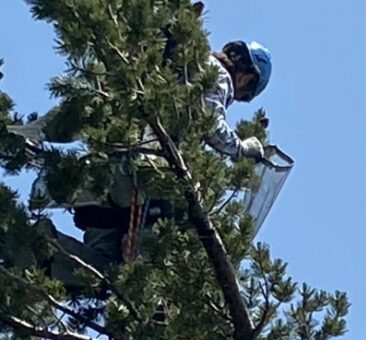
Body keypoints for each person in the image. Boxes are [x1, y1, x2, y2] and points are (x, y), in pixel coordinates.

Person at [5, 40, 273, 293]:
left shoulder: (178, 66)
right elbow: (211, 122)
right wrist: (241, 148)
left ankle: (40, 247)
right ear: (246, 74)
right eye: (246, 93)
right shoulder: (214, 74)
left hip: (103, 185)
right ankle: (150, 294)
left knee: (105, 273)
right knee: (170, 218)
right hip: (142, 175)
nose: (239, 96)